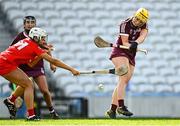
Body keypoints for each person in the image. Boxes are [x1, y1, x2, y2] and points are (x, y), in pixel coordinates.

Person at [1, 27, 80, 120]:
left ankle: (10, 101)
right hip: (5, 64)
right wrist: (71, 69)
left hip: (4, 61)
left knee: (26, 83)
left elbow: (30, 64)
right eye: (42, 38)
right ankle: (31, 116)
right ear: (35, 37)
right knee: (28, 85)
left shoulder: (27, 41)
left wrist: (41, 52)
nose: (44, 40)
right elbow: (54, 61)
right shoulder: (34, 47)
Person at [4, 16, 60, 119]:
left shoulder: (38, 34)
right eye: (28, 22)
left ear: (35, 24)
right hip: (24, 67)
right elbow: (11, 51)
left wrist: (52, 64)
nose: (30, 24)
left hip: (37, 66)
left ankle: (52, 111)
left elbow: (46, 48)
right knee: (28, 87)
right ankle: (22, 112)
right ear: (24, 24)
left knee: (45, 91)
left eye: (32, 22)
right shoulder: (19, 37)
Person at [105, 8, 149, 118]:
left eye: (140, 21)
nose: (137, 22)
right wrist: (131, 45)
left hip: (131, 54)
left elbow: (142, 36)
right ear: (135, 15)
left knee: (123, 81)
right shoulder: (124, 24)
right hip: (119, 51)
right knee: (124, 76)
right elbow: (124, 42)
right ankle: (121, 106)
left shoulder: (144, 25)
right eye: (137, 19)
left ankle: (112, 110)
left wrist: (136, 43)